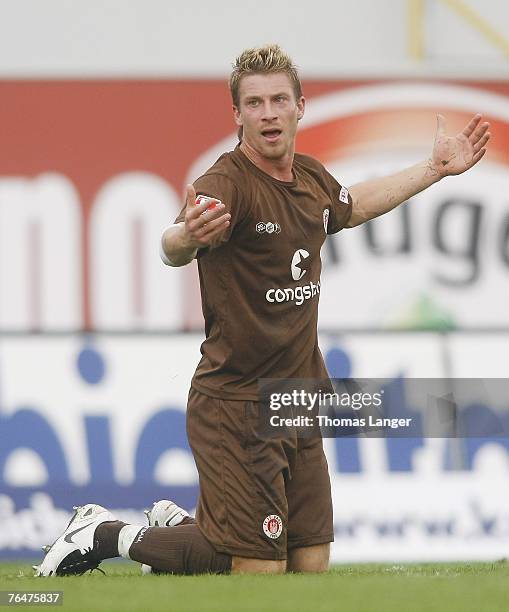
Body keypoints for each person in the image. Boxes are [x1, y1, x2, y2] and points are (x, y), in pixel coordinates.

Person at [34, 44, 490, 577]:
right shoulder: (229, 183)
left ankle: (179, 527)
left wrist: (434, 168)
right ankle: (105, 533)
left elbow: (355, 203)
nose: (268, 112)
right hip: (236, 402)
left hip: (297, 398)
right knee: (257, 570)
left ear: (301, 106)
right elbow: (178, 239)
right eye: (254, 103)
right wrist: (181, 237)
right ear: (238, 115)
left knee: (309, 565)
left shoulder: (312, 180)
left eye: (279, 99)